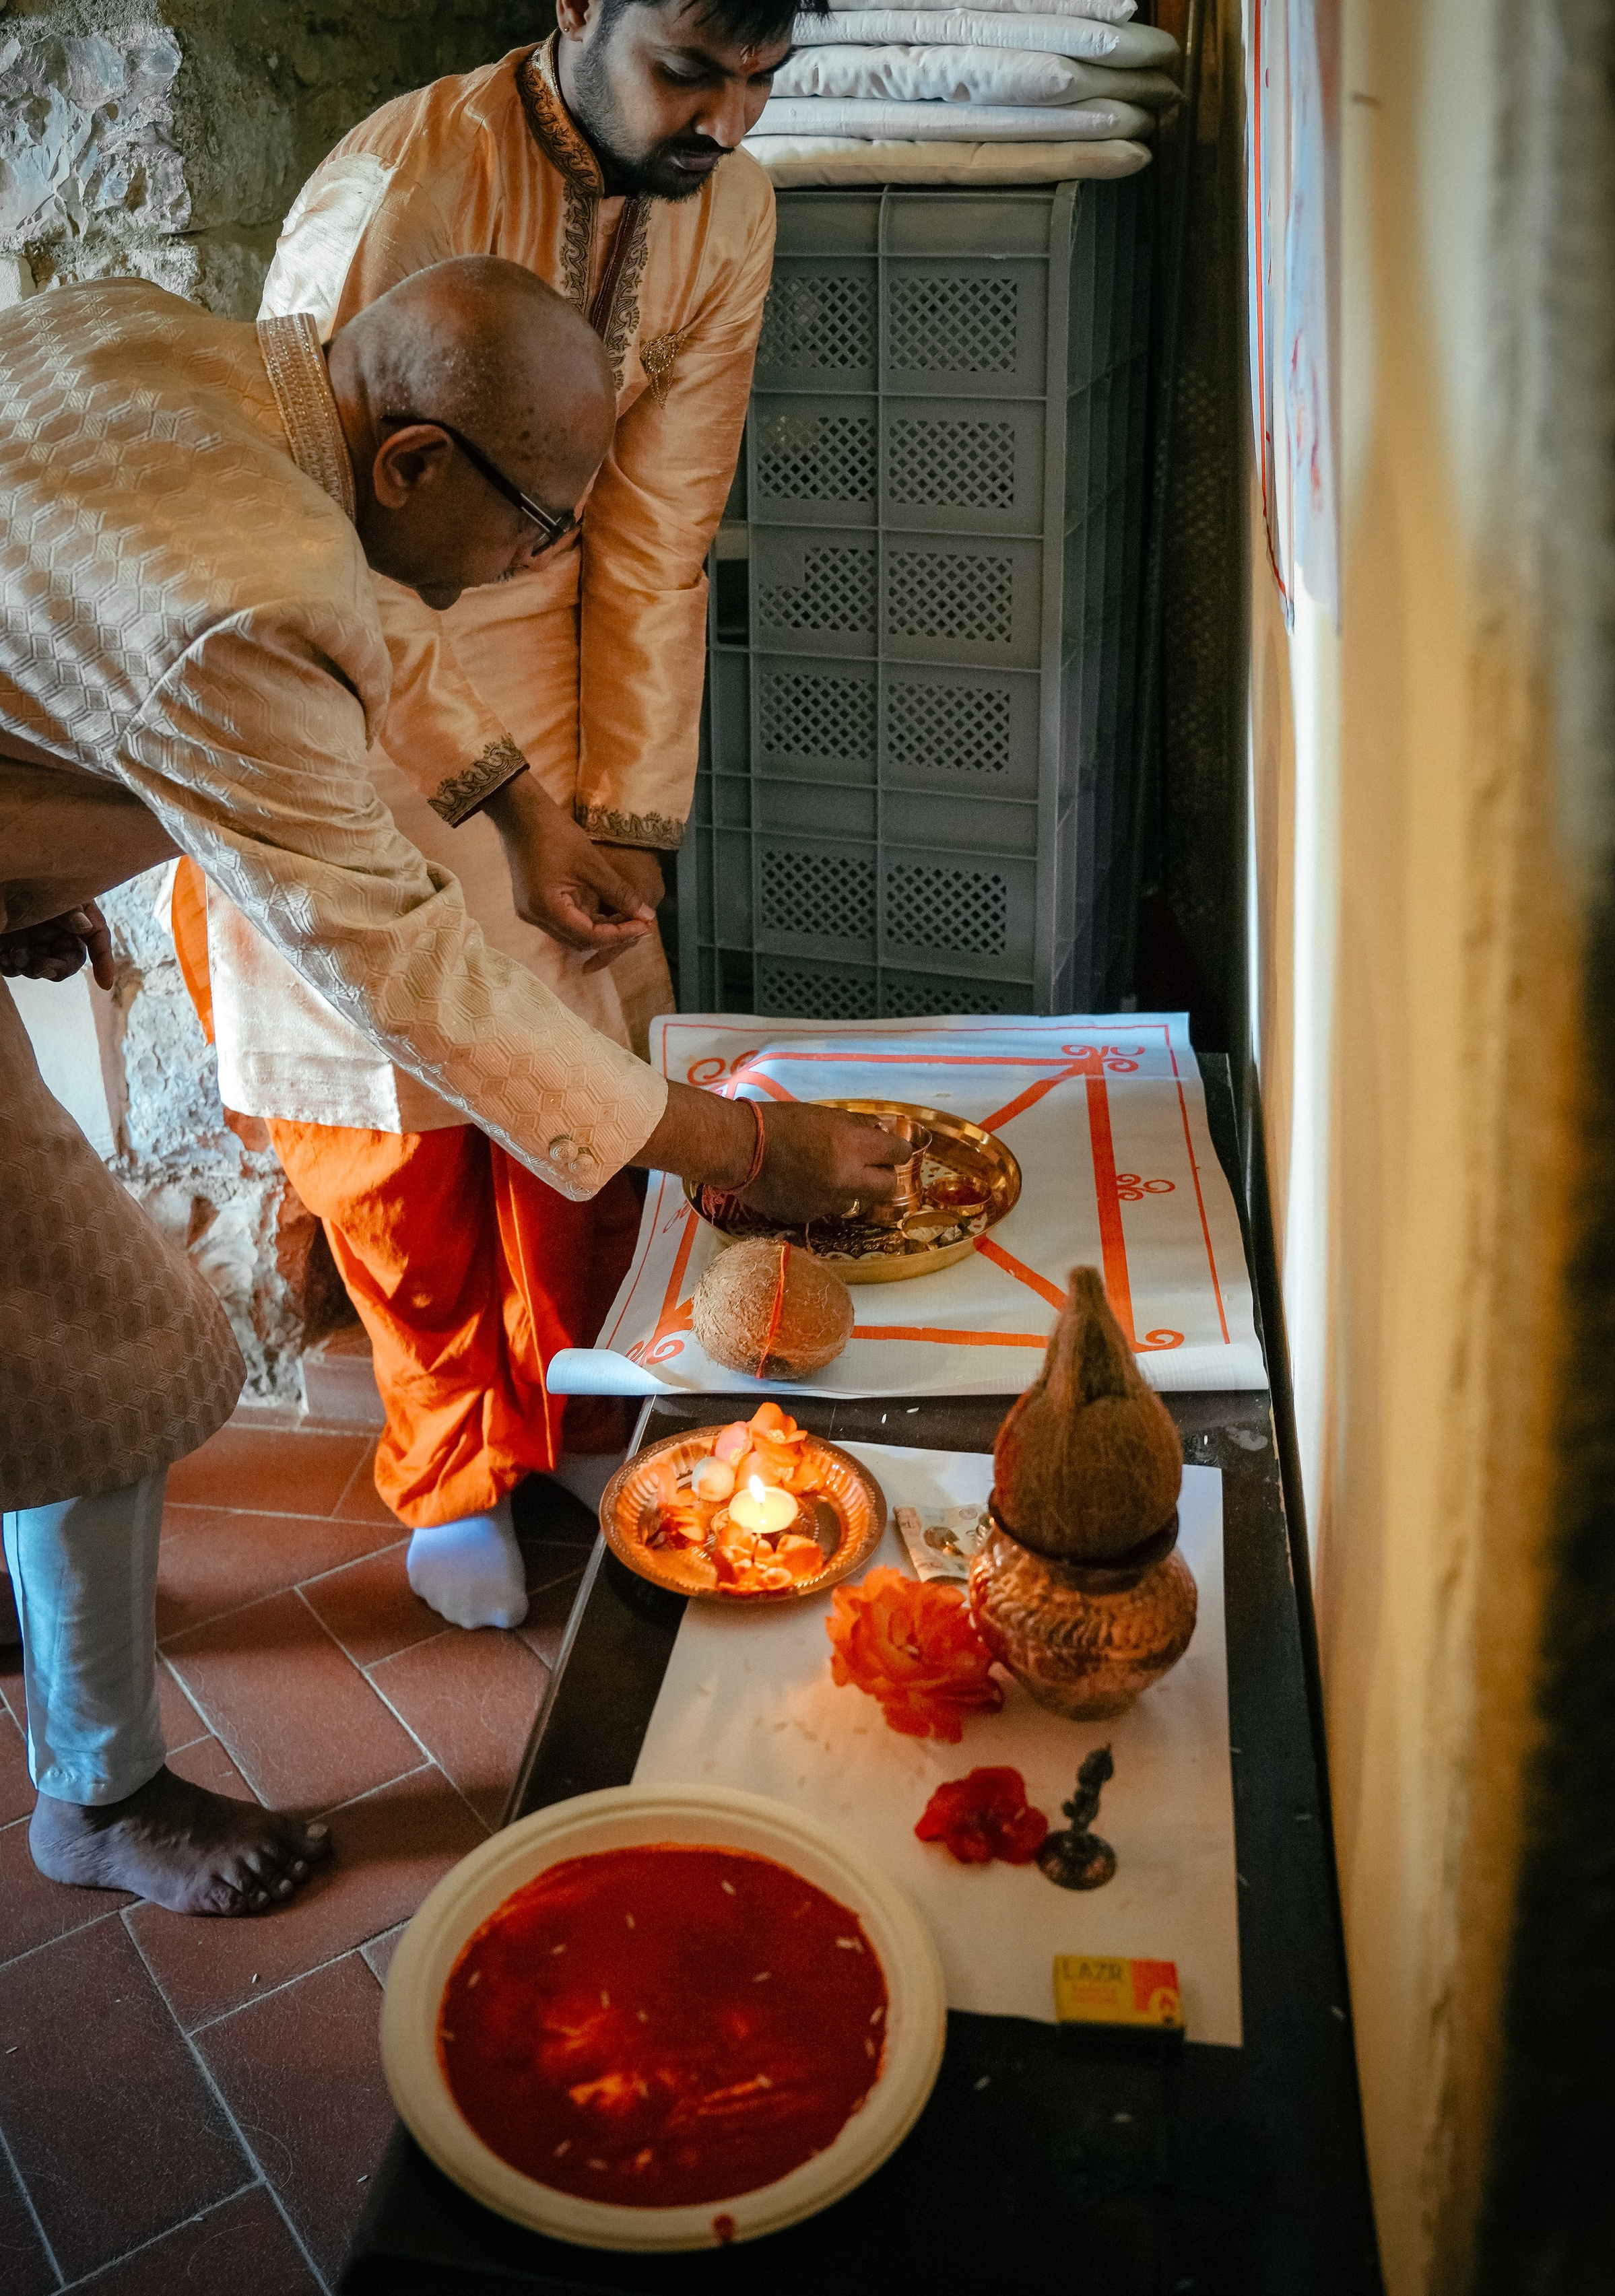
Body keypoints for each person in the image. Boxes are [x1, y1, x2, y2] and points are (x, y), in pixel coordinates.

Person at [0, 255, 904, 1918]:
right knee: (106, 1352)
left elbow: (366, 615)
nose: (534, 563)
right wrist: (741, 1143)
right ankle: (100, 1788)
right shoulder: (243, 593)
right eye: (536, 528)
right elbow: (399, 966)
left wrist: (518, 808)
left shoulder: (200, 370)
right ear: (415, 461)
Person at [174, 0, 816, 1634]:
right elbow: (311, 514)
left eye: (762, 80)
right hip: (343, 678)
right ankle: (454, 1458)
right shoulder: (397, 173)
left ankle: (579, 1415)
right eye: (690, 68)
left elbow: (662, 532)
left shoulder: (728, 210)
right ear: (578, 10)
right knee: (390, 1131)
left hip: (571, 702)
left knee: (576, 1098)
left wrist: (626, 808)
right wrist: (486, 790)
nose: (729, 124)